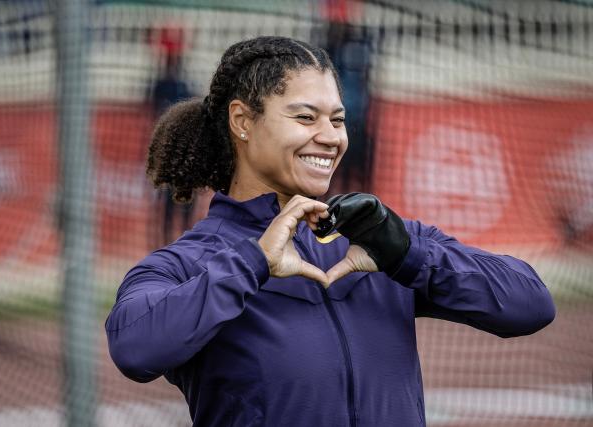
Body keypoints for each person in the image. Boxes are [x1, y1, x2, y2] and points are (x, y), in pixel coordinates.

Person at [105, 36, 555, 427]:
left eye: (337, 120)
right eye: (305, 118)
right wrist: (252, 263)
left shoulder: (375, 238)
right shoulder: (190, 262)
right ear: (242, 121)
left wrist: (406, 254)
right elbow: (135, 349)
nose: (331, 137)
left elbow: (531, 304)